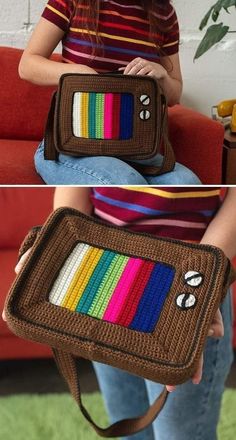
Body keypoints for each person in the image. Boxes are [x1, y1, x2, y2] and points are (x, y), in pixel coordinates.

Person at [3, 185, 235, 440]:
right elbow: (74, 179)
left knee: (181, 433)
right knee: (125, 417)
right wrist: (57, 246)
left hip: (187, 284)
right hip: (99, 277)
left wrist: (204, 281)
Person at [18, 0, 201, 185]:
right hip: (69, 147)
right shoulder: (70, 2)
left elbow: (174, 95)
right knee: (127, 182)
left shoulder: (164, 13)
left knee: (188, 182)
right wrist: (81, 73)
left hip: (137, 149)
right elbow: (27, 66)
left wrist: (162, 77)